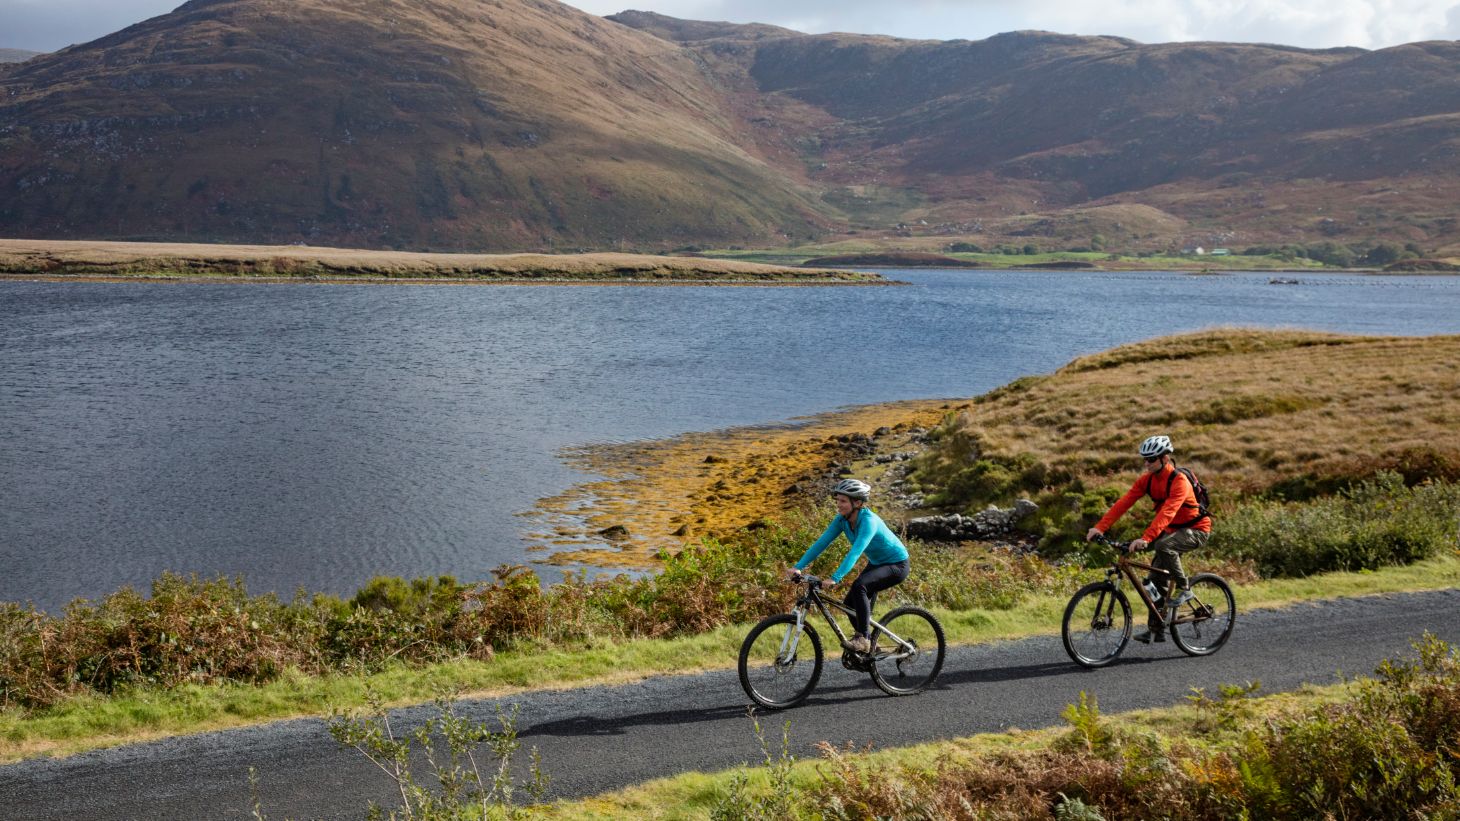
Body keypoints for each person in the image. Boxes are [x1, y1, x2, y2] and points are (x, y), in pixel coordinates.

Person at [1085, 435, 1211, 644]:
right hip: (1172, 531)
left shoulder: (1180, 480)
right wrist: (1099, 527)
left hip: (1196, 529)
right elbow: (1123, 503)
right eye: (1144, 459)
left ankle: (1184, 588)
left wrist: (1146, 538)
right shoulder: (1147, 480)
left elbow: (1168, 512)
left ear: (1165, 458)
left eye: (1150, 459)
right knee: (1153, 581)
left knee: (1163, 545)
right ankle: (1157, 628)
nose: (1146, 463)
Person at [786, 478, 910, 654]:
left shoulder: (869, 521)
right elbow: (822, 543)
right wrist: (798, 566)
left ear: (858, 502)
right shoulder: (842, 520)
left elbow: (855, 552)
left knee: (860, 586)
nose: (838, 505)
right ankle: (872, 647)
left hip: (897, 565)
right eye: (837, 500)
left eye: (843, 501)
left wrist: (835, 578)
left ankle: (864, 640)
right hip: (877, 563)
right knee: (850, 604)